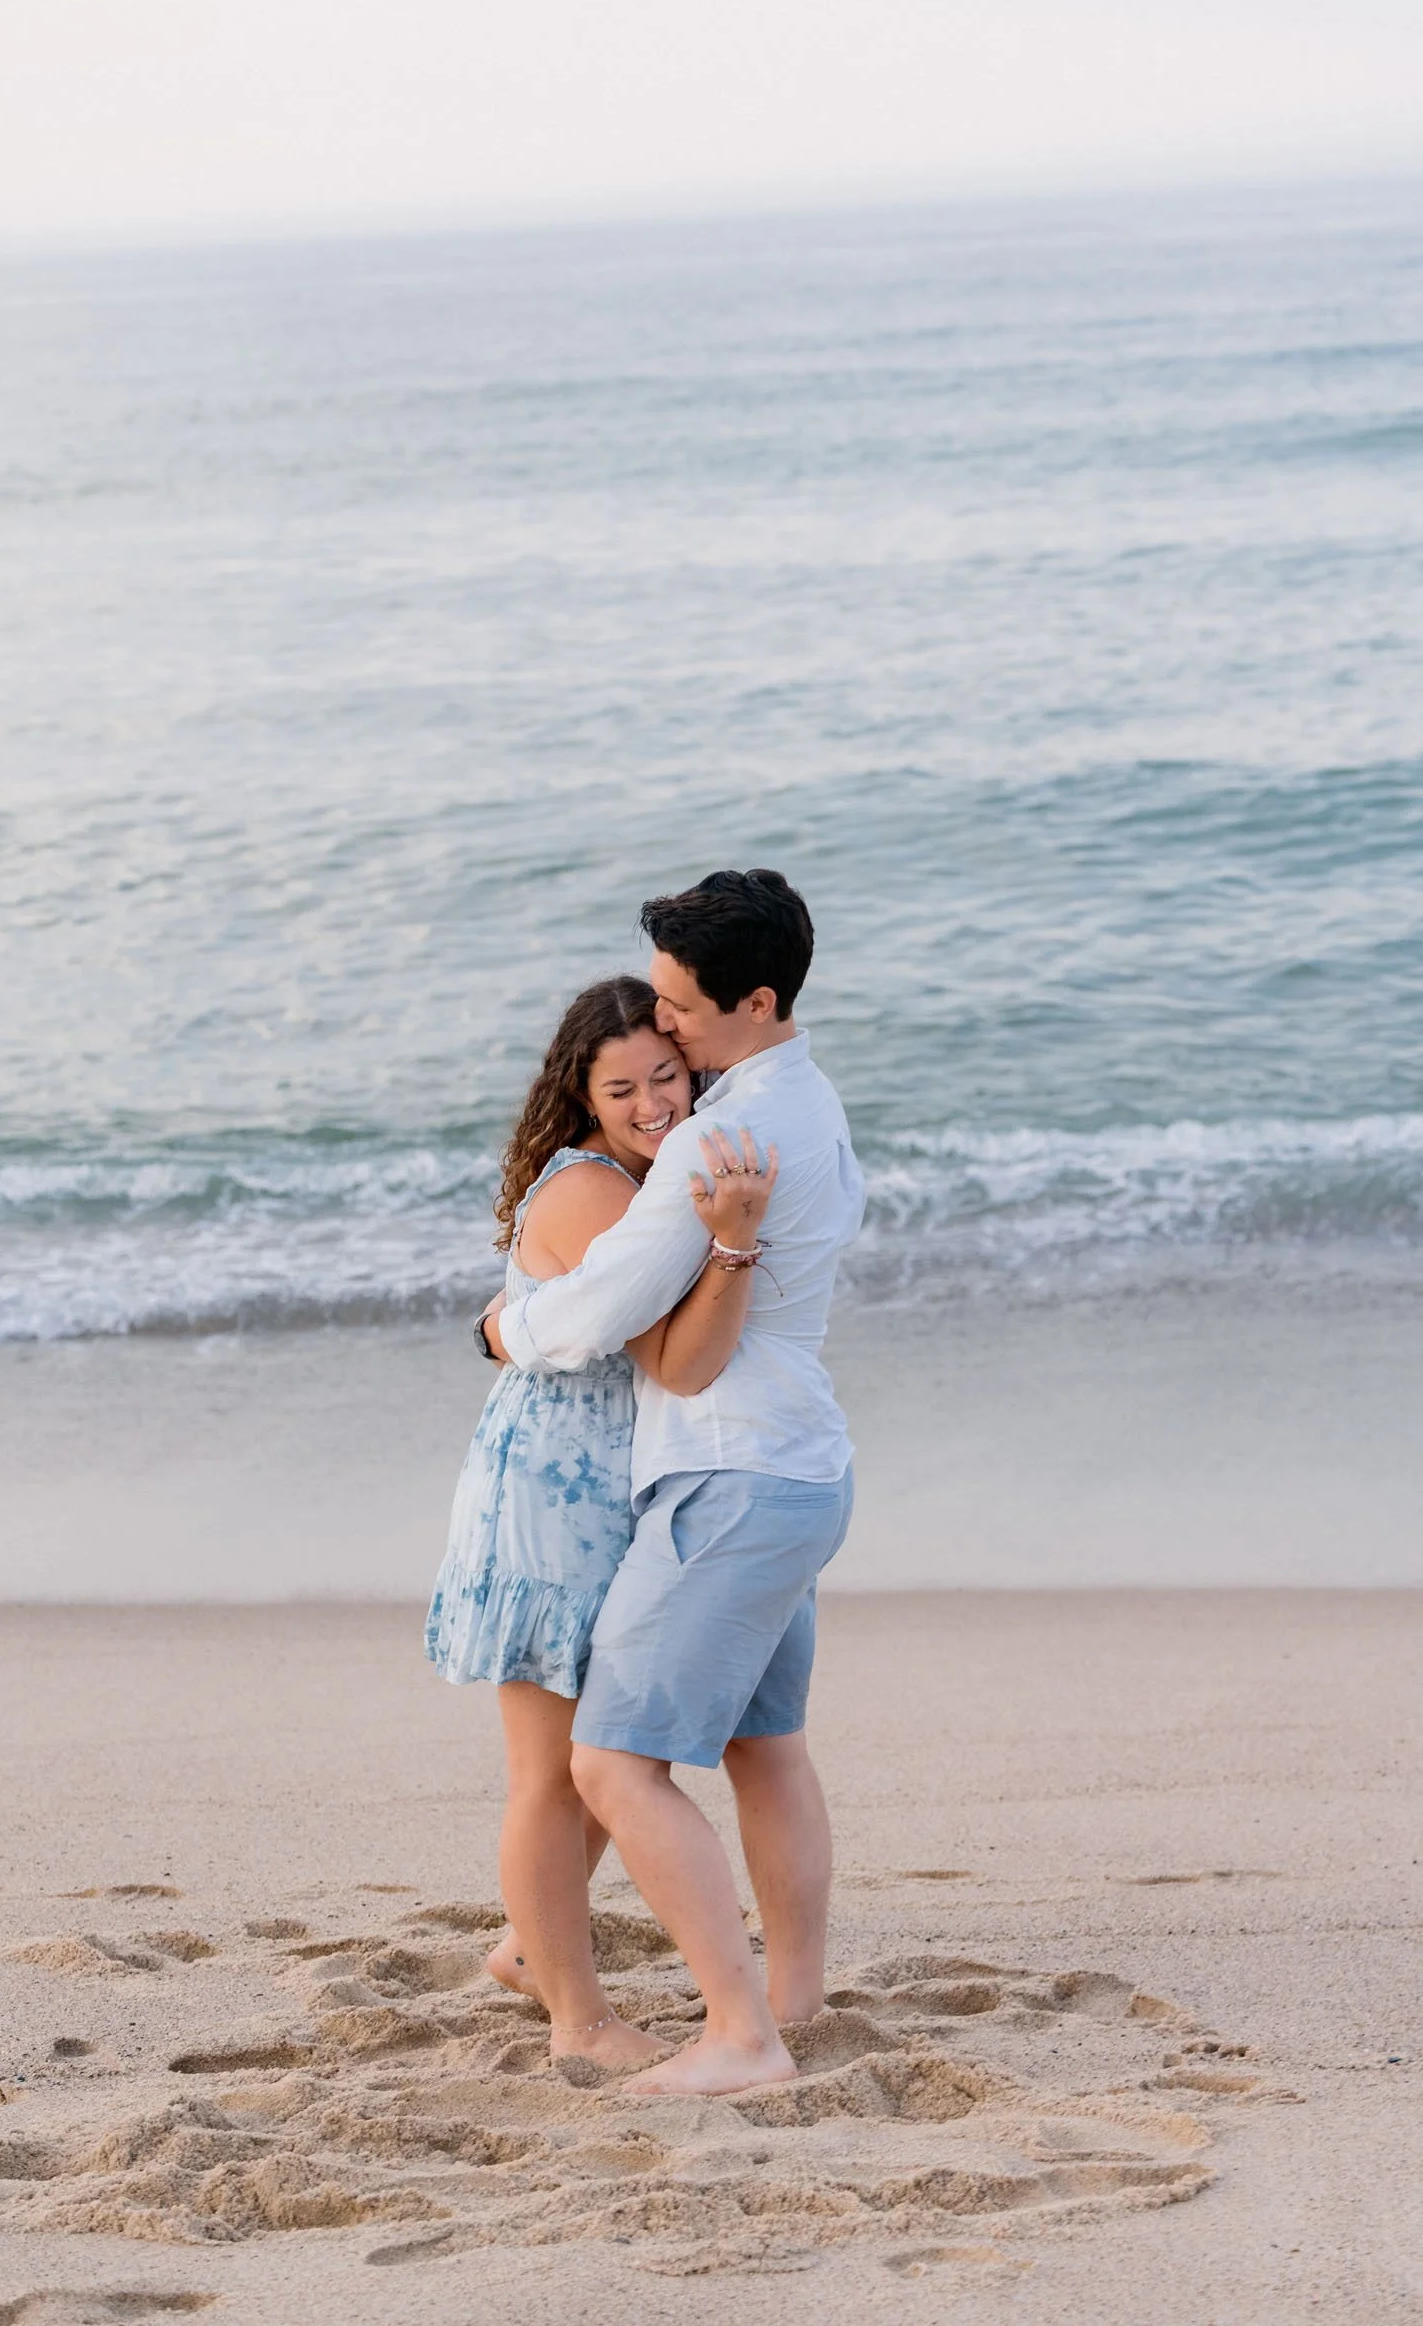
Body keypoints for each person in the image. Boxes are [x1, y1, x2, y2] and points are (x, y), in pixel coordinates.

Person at [486, 868, 865, 2097]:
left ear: (753, 999)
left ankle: (742, 2036)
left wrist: (505, 1324)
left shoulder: (717, 1137)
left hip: (727, 1477)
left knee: (609, 1765)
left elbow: (605, 1307)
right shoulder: (812, 1103)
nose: (668, 1029)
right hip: (803, 1465)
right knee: (765, 1746)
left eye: (681, 1008)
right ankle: (793, 1997)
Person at [426, 974, 777, 2071]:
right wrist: (731, 1244)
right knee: (551, 1771)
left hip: (602, 1492)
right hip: (548, 1497)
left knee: (595, 1755)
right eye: (618, 1086)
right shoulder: (590, 1191)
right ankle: (574, 2018)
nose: (649, 1103)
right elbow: (671, 1350)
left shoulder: (645, 1178)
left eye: (664, 1077)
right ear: (579, 1097)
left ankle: (530, 1951)